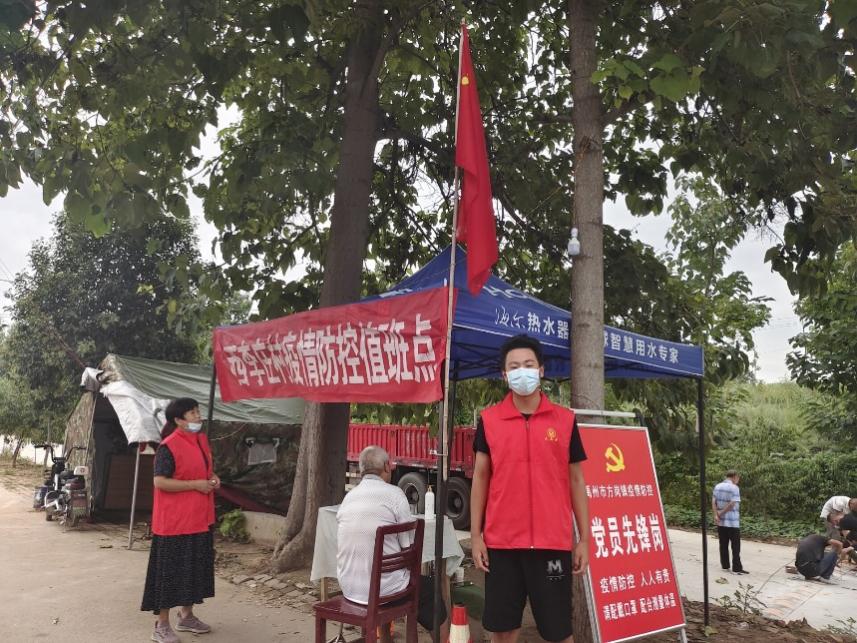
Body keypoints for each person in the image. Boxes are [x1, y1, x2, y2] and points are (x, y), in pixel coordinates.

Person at [470, 334, 590, 643]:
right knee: (503, 629)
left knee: (558, 630)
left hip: (552, 545)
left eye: (528, 364)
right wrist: (476, 536)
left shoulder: (564, 421)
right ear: (504, 374)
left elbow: (576, 480)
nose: (521, 371)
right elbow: (481, 477)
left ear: (541, 370)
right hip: (502, 546)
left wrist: (584, 539)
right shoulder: (490, 420)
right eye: (514, 366)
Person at [336, 445, 446, 643]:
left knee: (388, 577)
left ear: (361, 470)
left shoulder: (348, 498)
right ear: (387, 466)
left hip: (350, 589)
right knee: (430, 590)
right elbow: (408, 550)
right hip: (382, 592)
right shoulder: (395, 494)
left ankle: (386, 639)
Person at [141, 398, 220, 643]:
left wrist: (213, 478)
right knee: (170, 573)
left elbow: (203, 471)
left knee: (193, 569)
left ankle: (186, 616)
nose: (198, 416)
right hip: (174, 522)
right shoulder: (169, 446)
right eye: (192, 413)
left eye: (197, 411)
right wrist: (195, 485)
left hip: (199, 518)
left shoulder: (200, 440)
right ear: (178, 420)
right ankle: (161, 625)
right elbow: (160, 481)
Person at [712, 470, 748, 574]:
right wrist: (721, 513)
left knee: (723, 544)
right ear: (734, 477)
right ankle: (736, 568)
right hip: (733, 522)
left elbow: (713, 502)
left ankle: (725, 566)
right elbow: (732, 504)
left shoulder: (717, 486)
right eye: (738, 478)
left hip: (721, 522)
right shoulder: (734, 488)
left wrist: (716, 515)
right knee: (735, 546)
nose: (738, 480)